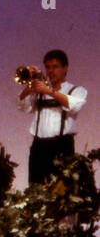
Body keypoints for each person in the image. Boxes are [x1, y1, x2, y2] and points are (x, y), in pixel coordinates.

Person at [19, 50, 87, 185]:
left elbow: (74, 105)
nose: (51, 71)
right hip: (38, 147)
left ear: (65, 68)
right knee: (35, 190)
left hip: (61, 147)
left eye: (55, 67)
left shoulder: (77, 90)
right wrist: (30, 86)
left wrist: (49, 91)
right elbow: (23, 106)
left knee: (61, 193)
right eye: (48, 67)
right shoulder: (38, 91)